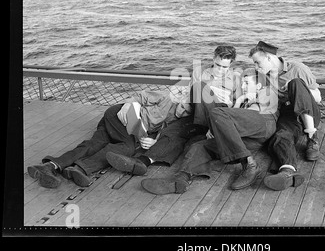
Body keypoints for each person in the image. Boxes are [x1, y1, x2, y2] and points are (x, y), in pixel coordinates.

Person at [105, 45, 243, 176]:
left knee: (201, 90)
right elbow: (191, 98)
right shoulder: (199, 72)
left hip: (220, 115)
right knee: (175, 131)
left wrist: (222, 116)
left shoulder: (236, 79)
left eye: (225, 67)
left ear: (231, 64)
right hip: (198, 115)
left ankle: (212, 127)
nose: (220, 70)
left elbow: (239, 105)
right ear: (213, 59)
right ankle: (142, 162)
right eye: (218, 65)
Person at [139, 67, 280, 195]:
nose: (243, 86)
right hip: (246, 140)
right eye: (242, 83)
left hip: (262, 125)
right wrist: (234, 108)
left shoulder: (266, 93)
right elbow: (237, 118)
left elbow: (254, 113)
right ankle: (181, 179)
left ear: (259, 85)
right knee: (199, 146)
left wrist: (240, 102)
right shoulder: (244, 98)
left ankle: (249, 164)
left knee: (217, 113)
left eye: (247, 83)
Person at [27, 89, 191, 189]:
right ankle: (81, 169)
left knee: (94, 144)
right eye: (183, 107)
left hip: (122, 126)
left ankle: (50, 166)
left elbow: (163, 134)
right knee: (127, 147)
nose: (182, 112)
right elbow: (139, 97)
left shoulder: (175, 121)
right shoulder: (167, 97)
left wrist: (153, 141)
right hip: (120, 115)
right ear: (182, 100)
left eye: (187, 112)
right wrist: (127, 105)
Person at [249, 41, 322, 191]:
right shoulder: (263, 75)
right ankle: (287, 172)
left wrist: (294, 89)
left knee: (295, 83)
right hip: (288, 114)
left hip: (309, 113)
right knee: (280, 136)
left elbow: (318, 97)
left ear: (269, 58)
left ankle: (312, 137)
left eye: (258, 63)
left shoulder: (298, 68)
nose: (256, 67)